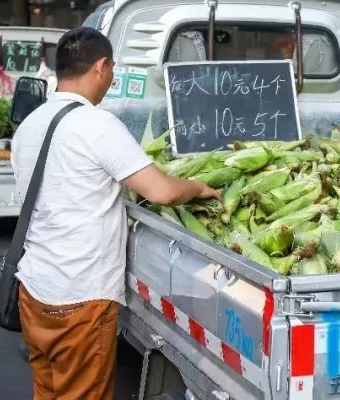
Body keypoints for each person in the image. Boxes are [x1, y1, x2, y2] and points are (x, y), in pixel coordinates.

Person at [12, 27, 221, 400]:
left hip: (34, 291)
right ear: (101, 66)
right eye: (112, 70)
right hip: (80, 297)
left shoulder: (29, 126)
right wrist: (200, 188)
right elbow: (161, 192)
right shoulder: (96, 124)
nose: (111, 78)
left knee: (48, 392)